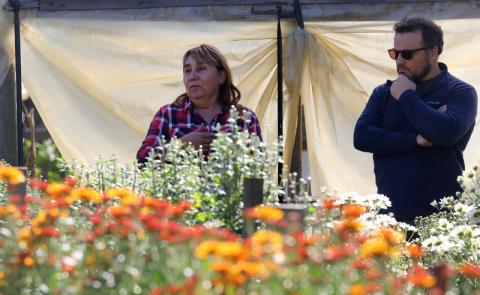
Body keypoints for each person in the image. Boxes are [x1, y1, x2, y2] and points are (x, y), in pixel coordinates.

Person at [353, 17, 478, 224]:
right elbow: (362, 137)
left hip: (441, 222)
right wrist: (416, 140)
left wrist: (406, 96)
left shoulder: (459, 92)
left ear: (434, 52)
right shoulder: (384, 93)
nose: (400, 60)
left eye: (408, 54)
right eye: (395, 53)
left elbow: (445, 132)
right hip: (391, 217)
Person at [137, 44, 262, 164]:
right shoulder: (168, 114)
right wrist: (180, 146)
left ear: (221, 76)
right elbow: (143, 160)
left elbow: (258, 171)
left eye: (201, 68)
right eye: (187, 70)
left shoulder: (244, 118)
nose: (192, 76)